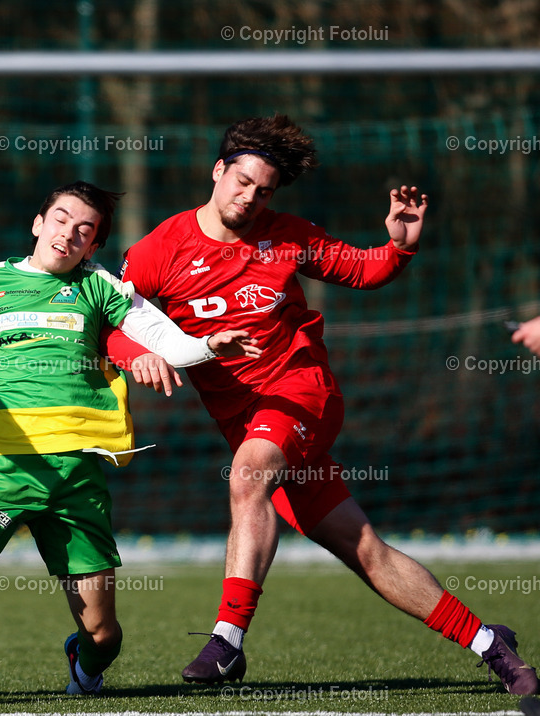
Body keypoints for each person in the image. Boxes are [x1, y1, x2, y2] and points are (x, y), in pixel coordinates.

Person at [102, 115, 539, 696]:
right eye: (243, 182)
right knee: (365, 551)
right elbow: (109, 319)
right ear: (218, 171)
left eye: (264, 190)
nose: (251, 197)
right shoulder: (160, 248)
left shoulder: (285, 234)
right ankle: (490, 644)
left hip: (301, 392)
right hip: (247, 421)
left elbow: (363, 269)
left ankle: (226, 640)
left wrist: (399, 246)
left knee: (248, 474)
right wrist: (136, 356)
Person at [0, 180, 261, 695]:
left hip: (76, 478)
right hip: (0, 469)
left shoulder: (99, 287)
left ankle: (84, 664)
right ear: (38, 223)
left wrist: (206, 347)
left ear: (93, 246)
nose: (69, 234)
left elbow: (162, 339)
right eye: (61, 220)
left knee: (103, 634)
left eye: (84, 230)